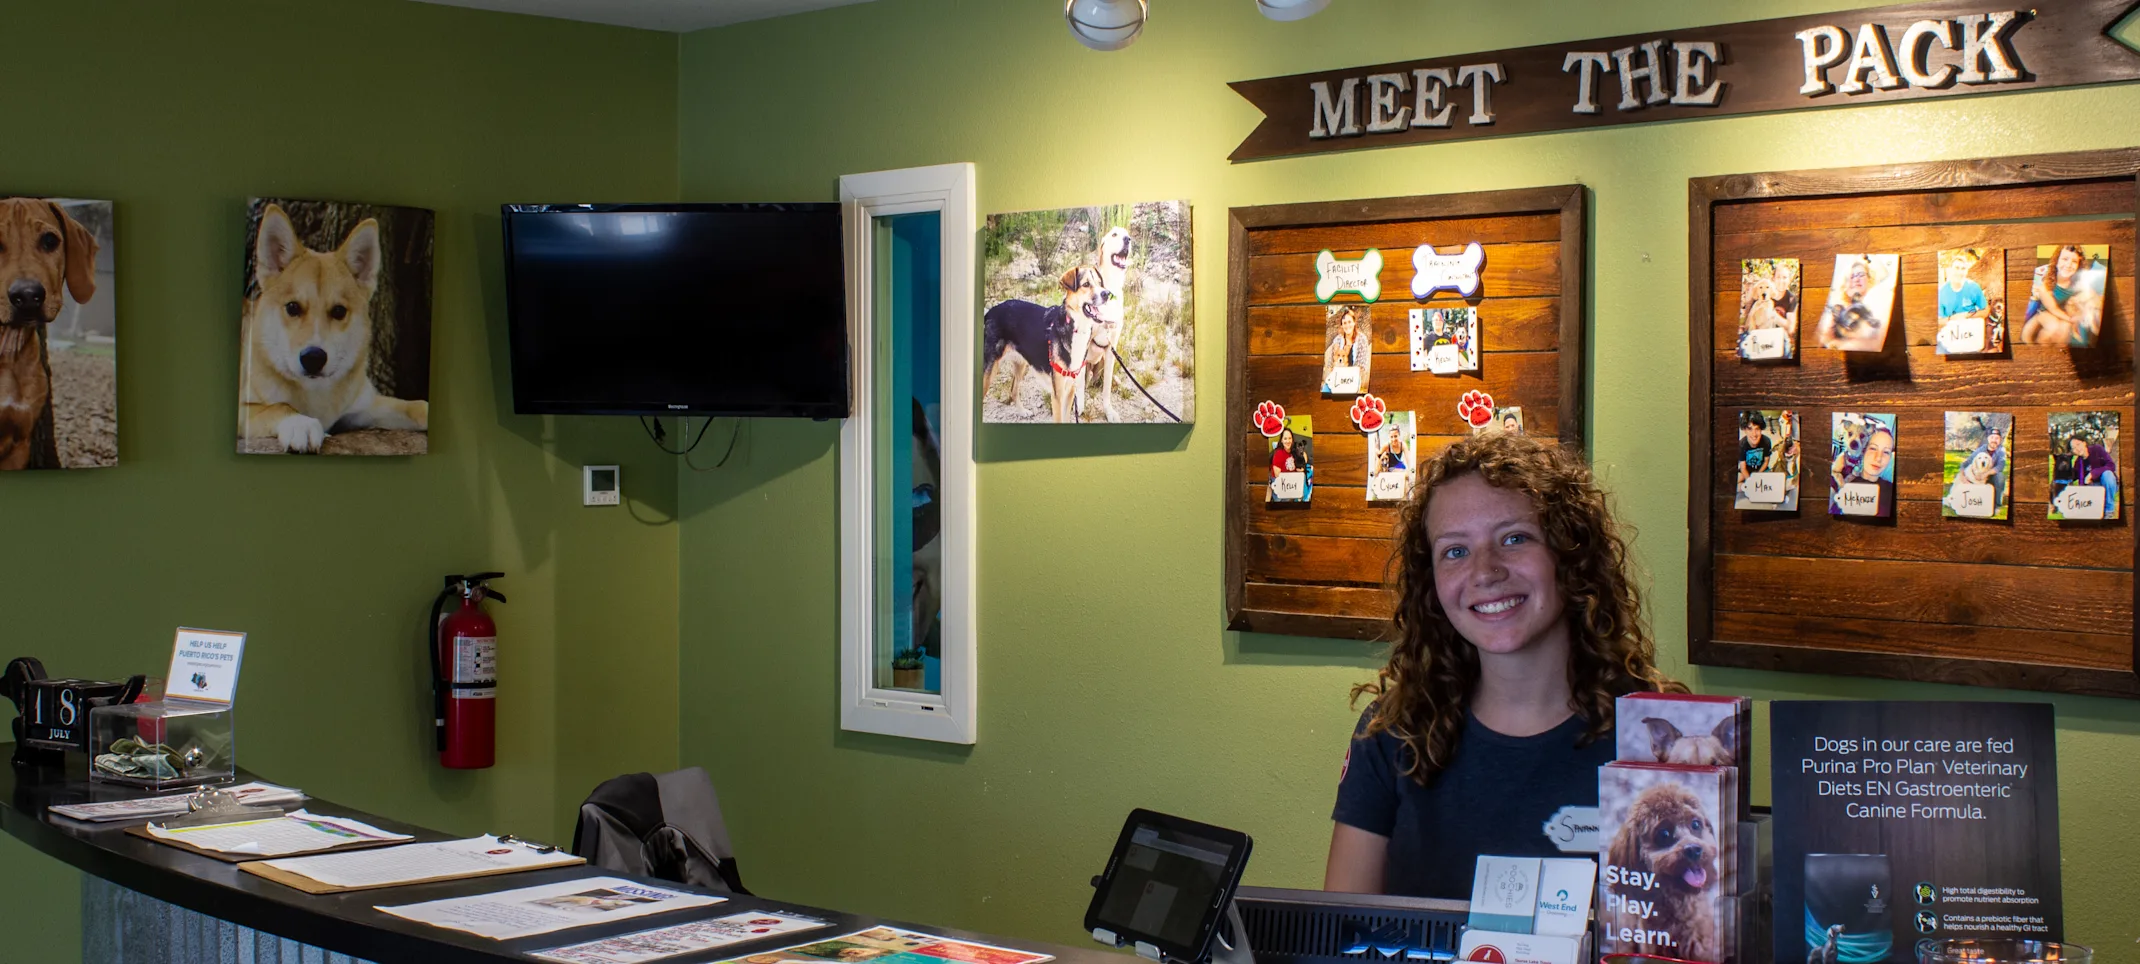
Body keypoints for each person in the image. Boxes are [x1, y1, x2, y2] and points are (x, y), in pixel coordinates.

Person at [1326, 432, 1682, 899]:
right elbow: (1340, 931)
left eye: (1514, 538)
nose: (1485, 571)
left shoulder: (1663, 734)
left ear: (1569, 553)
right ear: (1431, 581)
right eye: (1455, 551)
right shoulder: (1393, 733)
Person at [1816, 257, 1887, 351]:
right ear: (1845, 285)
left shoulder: (1877, 305)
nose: (1856, 279)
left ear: (1869, 279)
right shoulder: (1837, 309)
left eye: (1861, 275)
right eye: (1852, 276)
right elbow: (1823, 340)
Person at [2022, 246, 2087, 345]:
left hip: (2063, 315)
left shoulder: (2076, 284)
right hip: (2044, 313)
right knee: (2053, 327)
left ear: (2079, 266)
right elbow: (2053, 308)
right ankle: (2041, 347)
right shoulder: (2046, 284)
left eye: (2074, 261)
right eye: (2065, 259)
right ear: (2056, 261)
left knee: (2065, 328)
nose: (2069, 264)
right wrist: (2071, 319)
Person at [1938, 250, 1989, 351]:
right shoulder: (1942, 292)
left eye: (1963, 269)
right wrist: (1953, 318)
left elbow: (1986, 310)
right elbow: (1938, 321)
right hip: (1951, 337)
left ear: (1966, 271)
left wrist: (1966, 315)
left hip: (1970, 335)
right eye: (1956, 268)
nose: (1959, 272)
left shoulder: (1973, 287)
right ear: (1950, 270)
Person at [1325, 306, 1370, 390]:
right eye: (1344, 323)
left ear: (1354, 322)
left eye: (1349, 322)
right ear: (1341, 325)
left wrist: (1347, 377)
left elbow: (1362, 366)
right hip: (1337, 379)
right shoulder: (1337, 340)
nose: (1347, 325)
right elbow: (1330, 364)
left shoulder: (1362, 339)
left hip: (1354, 379)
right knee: (1326, 389)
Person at [1738, 412, 1771, 486]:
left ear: (1761, 429)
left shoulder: (1766, 441)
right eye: (1750, 429)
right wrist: (1750, 481)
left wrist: (1757, 476)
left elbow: (1766, 462)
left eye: (1757, 429)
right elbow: (1743, 468)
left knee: (1772, 482)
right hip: (1746, 470)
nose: (1754, 434)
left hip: (1761, 469)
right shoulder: (1741, 444)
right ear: (1744, 430)